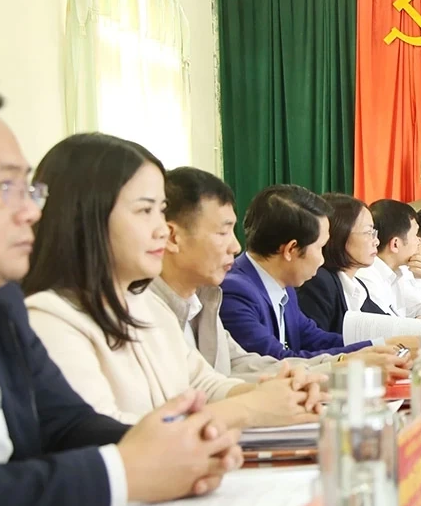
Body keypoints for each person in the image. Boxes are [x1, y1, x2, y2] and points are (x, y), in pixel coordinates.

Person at [0, 84, 240, 506]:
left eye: (29, 189)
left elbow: (65, 423)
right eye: (4, 188)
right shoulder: (45, 311)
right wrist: (123, 472)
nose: (30, 212)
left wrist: (186, 447)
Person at [22, 134, 324, 429]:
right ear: (86, 215)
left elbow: (203, 382)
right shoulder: (49, 318)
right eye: (145, 210)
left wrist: (278, 393)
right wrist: (249, 409)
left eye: (161, 210)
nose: (162, 230)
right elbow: (102, 433)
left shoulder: (145, 305)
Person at [150, 170, 409, 380]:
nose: (235, 246)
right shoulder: (232, 291)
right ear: (291, 249)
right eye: (222, 233)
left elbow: (242, 366)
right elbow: (271, 361)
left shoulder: (209, 298)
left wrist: (373, 349)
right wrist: (351, 361)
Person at [220, 185, 414, 360]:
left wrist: (380, 346)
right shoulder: (235, 292)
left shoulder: (284, 286)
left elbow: (315, 339)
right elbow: (277, 361)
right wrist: (362, 356)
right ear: (291, 249)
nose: (322, 260)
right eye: (320, 247)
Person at [298, 193, 421, 341]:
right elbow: (316, 345)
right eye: (368, 233)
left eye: (374, 233)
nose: (376, 241)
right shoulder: (321, 282)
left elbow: (390, 326)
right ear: (341, 234)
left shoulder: (358, 285)